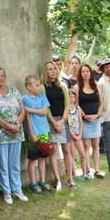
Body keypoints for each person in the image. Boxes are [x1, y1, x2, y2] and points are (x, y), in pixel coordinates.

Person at [0, 67, 28, 204]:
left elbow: (22, 110)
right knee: (2, 164)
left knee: (14, 163)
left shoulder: (14, 90)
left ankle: (17, 189)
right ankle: (6, 191)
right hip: (0, 133)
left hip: (16, 132)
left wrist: (16, 126)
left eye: (2, 75)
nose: (1, 78)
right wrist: (9, 127)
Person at [22, 74, 55, 195]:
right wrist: (32, 133)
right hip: (33, 133)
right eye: (36, 85)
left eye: (39, 85)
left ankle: (42, 181)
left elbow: (44, 112)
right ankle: (32, 183)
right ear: (28, 87)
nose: (39, 87)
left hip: (44, 131)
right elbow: (27, 118)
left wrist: (29, 109)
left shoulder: (42, 96)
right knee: (33, 159)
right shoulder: (25, 99)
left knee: (42, 158)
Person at [43, 59, 73, 189]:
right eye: (50, 69)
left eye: (54, 68)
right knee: (54, 151)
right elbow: (46, 107)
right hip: (51, 121)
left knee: (67, 150)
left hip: (63, 119)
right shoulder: (43, 87)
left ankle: (70, 178)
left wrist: (62, 121)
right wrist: (54, 123)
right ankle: (57, 179)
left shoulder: (63, 86)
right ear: (45, 72)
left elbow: (67, 105)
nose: (53, 71)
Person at [76, 63, 105, 179]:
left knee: (96, 146)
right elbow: (76, 105)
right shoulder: (77, 87)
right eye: (83, 71)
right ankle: (87, 170)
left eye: (87, 71)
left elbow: (101, 103)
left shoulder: (97, 86)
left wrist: (97, 115)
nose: (85, 73)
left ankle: (97, 170)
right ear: (80, 74)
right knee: (86, 146)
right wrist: (84, 116)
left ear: (90, 73)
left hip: (96, 120)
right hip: (84, 121)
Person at [68, 89, 88, 184]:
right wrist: (73, 135)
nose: (72, 99)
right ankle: (74, 173)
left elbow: (80, 122)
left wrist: (79, 134)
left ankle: (84, 174)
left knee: (83, 154)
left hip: (77, 134)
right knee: (72, 154)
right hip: (70, 135)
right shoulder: (66, 109)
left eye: (73, 97)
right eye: (70, 97)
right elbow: (67, 124)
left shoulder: (78, 108)